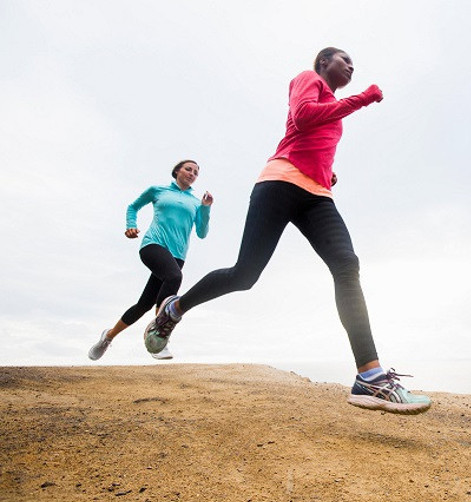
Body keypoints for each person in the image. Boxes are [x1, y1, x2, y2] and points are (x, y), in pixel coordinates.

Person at [143, 48, 431, 414]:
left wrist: (326, 172)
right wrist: (362, 99)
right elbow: (304, 117)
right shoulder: (307, 79)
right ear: (324, 63)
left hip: (317, 195)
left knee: (346, 265)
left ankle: (369, 378)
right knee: (245, 274)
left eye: (354, 64)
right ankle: (175, 308)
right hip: (278, 185)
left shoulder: (332, 102)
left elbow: (313, 140)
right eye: (345, 60)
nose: (352, 66)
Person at [89, 160, 213, 361]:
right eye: (188, 169)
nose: (192, 174)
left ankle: (108, 337)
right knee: (174, 277)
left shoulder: (196, 202)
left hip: (178, 255)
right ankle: (158, 334)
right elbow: (133, 207)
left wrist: (206, 208)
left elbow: (202, 233)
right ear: (177, 171)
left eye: (196, 172)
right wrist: (131, 224)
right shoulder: (158, 190)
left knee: (144, 304)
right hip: (153, 245)